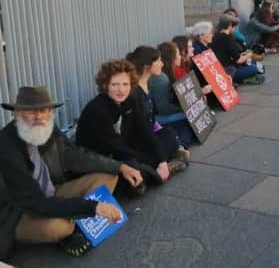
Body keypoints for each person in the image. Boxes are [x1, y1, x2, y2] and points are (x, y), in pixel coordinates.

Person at [0, 86, 143, 259]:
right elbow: (35, 202)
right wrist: (93, 207)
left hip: (52, 192)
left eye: (44, 110)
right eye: (31, 112)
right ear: (18, 114)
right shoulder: (6, 146)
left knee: (108, 177)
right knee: (60, 227)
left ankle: (75, 217)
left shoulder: (48, 128)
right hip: (19, 212)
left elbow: (74, 156)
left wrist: (120, 166)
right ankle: (73, 223)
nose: (38, 117)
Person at [76, 57, 187, 191]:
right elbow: (117, 148)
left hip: (127, 148)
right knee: (131, 169)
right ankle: (157, 171)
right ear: (105, 86)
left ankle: (155, 171)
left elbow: (145, 131)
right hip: (106, 158)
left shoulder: (130, 101)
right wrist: (154, 160)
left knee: (169, 134)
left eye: (125, 84)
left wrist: (161, 161)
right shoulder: (96, 110)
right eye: (115, 85)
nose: (121, 90)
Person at [150, 41, 202, 147]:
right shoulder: (160, 78)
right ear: (172, 58)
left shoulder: (168, 73)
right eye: (178, 54)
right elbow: (163, 108)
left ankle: (180, 144)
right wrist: (184, 108)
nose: (180, 57)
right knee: (191, 118)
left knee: (192, 121)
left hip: (162, 114)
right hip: (158, 118)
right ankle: (180, 146)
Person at [212, 14, 265, 84]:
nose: (235, 29)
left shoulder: (215, 35)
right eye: (234, 26)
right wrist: (250, 54)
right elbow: (238, 60)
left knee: (252, 65)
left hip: (219, 69)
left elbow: (226, 54)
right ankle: (240, 79)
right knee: (254, 68)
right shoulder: (228, 38)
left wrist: (242, 55)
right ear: (230, 25)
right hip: (228, 70)